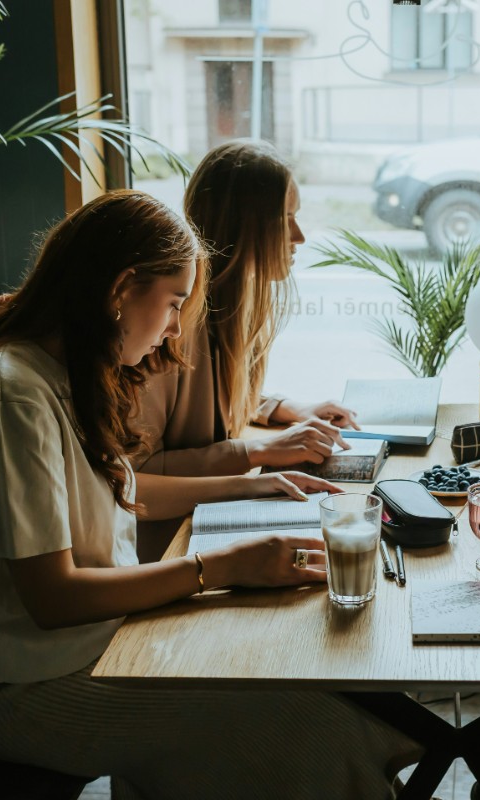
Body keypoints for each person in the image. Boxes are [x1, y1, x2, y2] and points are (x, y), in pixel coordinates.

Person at [0, 190, 418, 799]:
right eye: (173, 303)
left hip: (76, 646)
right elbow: (52, 597)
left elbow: (118, 488)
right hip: (23, 686)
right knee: (292, 715)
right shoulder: (10, 396)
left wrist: (247, 486)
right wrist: (214, 568)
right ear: (122, 288)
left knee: (287, 658)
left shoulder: (53, 372)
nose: (175, 326)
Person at [133, 140, 359, 561]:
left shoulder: (237, 304)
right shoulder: (168, 327)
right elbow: (134, 475)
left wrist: (281, 407)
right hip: (166, 551)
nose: (299, 236)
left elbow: (215, 397)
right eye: (285, 218)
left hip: (200, 528)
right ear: (243, 226)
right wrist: (259, 451)